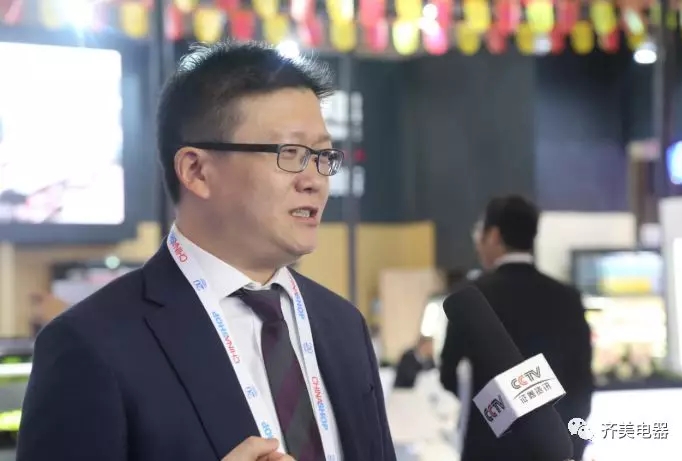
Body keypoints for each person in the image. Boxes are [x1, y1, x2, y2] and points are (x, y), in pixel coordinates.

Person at [17, 41, 395, 461]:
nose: (315, 180)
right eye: (290, 153)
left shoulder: (342, 325)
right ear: (196, 171)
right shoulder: (91, 345)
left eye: (322, 155)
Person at [439, 195, 593, 461]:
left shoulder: (471, 298)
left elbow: (448, 376)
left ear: (494, 236)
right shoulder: (568, 298)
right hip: (554, 449)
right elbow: (581, 381)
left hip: (489, 450)